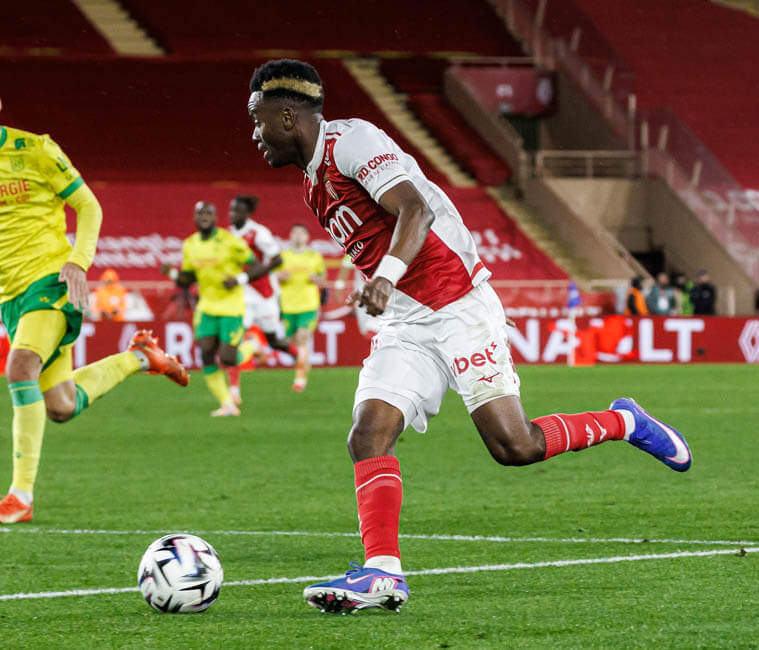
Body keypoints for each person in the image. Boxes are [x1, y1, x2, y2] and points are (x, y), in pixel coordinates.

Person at [246, 58, 692, 614]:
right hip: (406, 322)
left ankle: (625, 422)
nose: (255, 134)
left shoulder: (351, 142)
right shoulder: (312, 183)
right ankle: (383, 573)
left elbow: (415, 211)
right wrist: (386, 289)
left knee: (515, 446)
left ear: (287, 116)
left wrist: (383, 278)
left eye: (257, 119)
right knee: (368, 433)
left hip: (458, 304)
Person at [0, 66, 189, 524]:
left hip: (52, 281)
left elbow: (87, 205)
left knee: (19, 368)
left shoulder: (37, 150)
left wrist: (77, 261)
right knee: (60, 405)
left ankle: (19, 497)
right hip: (10, 296)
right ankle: (140, 358)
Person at [161, 201, 262, 416]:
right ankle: (227, 404)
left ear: (215, 218)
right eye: (200, 213)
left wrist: (238, 279)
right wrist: (171, 273)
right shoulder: (190, 244)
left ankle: (253, 346)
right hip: (206, 308)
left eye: (208, 213)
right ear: (195, 218)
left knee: (227, 358)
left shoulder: (229, 241)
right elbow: (188, 278)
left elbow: (257, 265)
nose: (204, 216)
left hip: (231, 307)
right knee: (206, 354)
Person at [226, 194, 298, 403]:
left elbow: (277, 260)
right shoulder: (227, 235)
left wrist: (244, 277)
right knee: (232, 340)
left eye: (237, 210)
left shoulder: (258, 233)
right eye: (231, 209)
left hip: (264, 294)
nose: (232, 214)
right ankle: (233, 392)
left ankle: (297, 356)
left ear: (247, 213)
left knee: (274, 341)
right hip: (240, 296)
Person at [275, 223, 326, 392]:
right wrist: (278, 276)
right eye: (295, 233)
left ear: (307, 237)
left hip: (308, 304)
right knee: (292, 343)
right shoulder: (282, 256)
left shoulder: (314, 256)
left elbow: (323, 278)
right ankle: (303, 366)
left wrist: (316, 279)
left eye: (301, 233)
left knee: (302, 337)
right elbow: (272, 276)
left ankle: (299, 378)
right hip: (288, 305)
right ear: (290, 236)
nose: (298, 236)